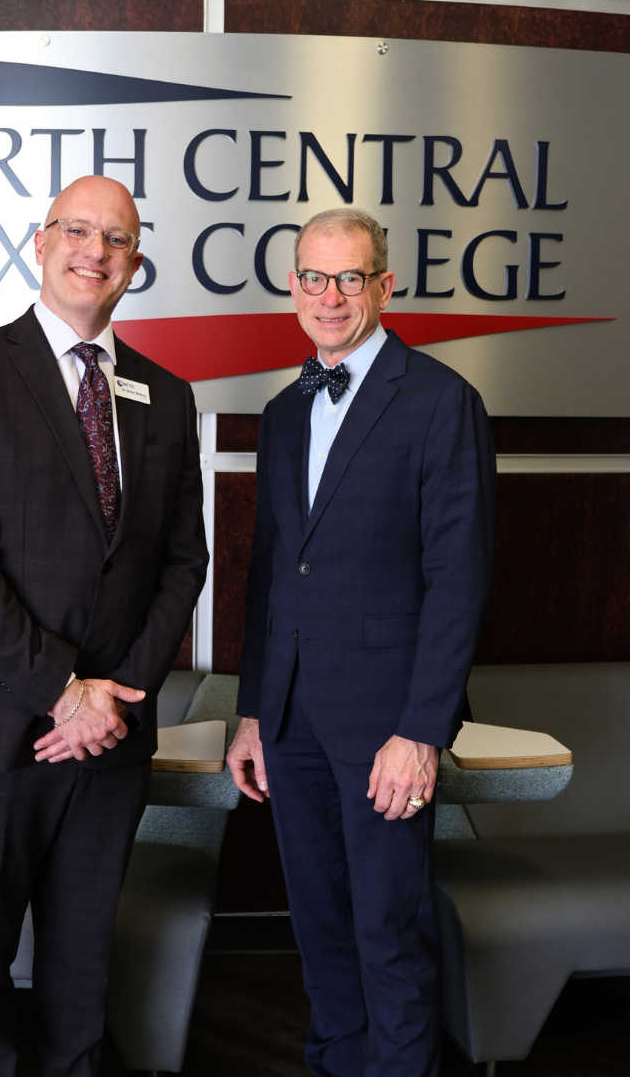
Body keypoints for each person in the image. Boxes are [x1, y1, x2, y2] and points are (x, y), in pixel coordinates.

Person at [0, 175, 208, 1077]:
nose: (96, 251)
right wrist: (62, 690)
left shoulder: (166, 393)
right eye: (77, 231)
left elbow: (181, 563)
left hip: (112, 730)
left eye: (117, 240)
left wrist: (115, 698)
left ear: (136, 265)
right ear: (39, 244)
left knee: (84, 958)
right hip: (3, 725)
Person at [226, 208, 496, 1077]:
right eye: (314, 276)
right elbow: (270, 572)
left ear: (385, 284)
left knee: (388, 932)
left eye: (351, 277)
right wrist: (252, 713)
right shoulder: (282, 408)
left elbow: (458, 580)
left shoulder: (441, 400)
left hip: (387, 725)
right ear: (293, 288)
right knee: (322, 931)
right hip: (293, 719)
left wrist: (422, 732)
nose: (330, 295)